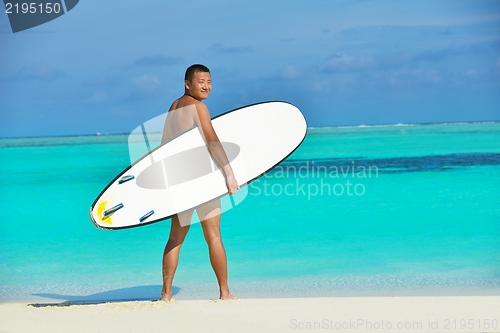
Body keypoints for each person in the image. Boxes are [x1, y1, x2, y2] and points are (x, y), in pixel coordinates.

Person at [160, 64, 239, 301]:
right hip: (201, 182)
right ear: (188, 84)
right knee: (213, 236)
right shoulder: (199, 108)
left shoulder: (173, 107)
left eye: (209, 82)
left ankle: (166, 294)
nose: (206, 86)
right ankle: (225, 293)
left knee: (175, 238)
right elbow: (212, 140)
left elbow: (165, 144)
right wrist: (229, 172)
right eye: (201, 82)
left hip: (179, 181)